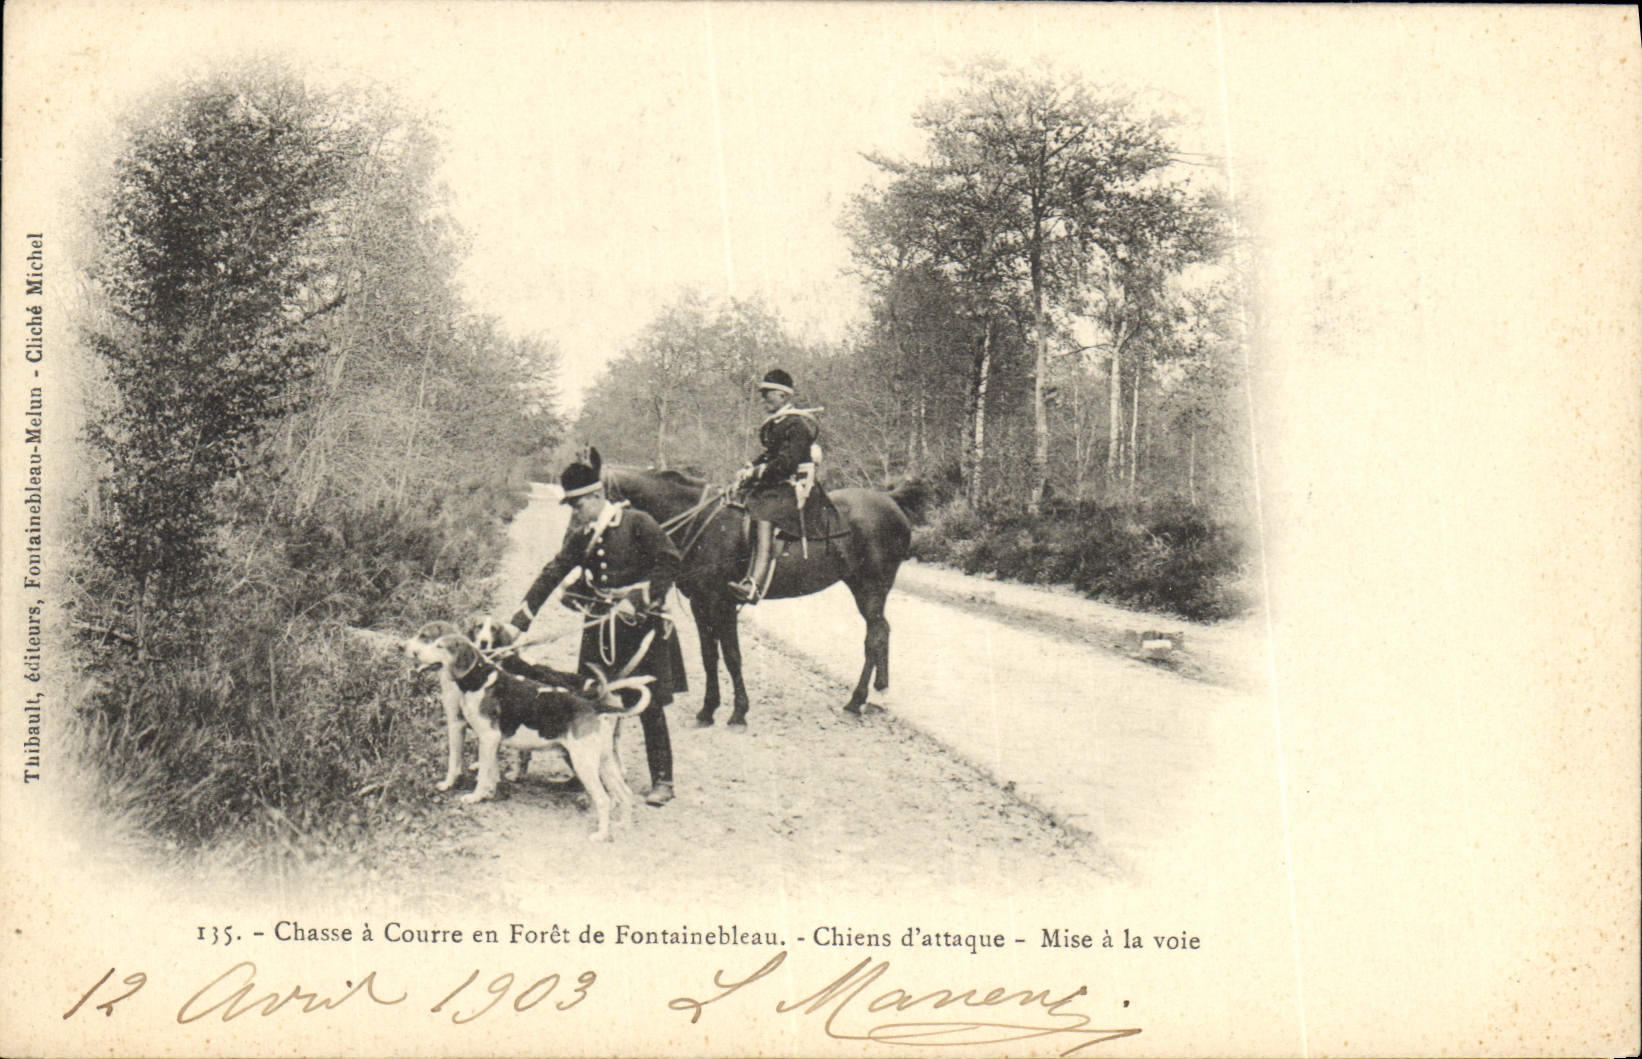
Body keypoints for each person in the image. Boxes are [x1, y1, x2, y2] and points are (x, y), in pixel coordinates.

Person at [508, 447, 687, 806]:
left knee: (648, 703)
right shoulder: (583, 535)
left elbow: (669, 561)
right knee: (589, 699)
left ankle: (663, 780)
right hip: (599, 626)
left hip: (641, 627)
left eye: (578, 505)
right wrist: (519, 623)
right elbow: (552, 573)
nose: (575, 514)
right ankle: (585, 774)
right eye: (572, 507)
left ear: (597, 496)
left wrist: (638, 599)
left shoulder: (637, 522)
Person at [730, 368, 822, 603]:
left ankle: (754, 583)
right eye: (763, 394)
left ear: (783, 396)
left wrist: (759, 471)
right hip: (774, 484)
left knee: (764, 515)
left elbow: (787, 462)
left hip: (790, 486)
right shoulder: (777, 423)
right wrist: (749, 467)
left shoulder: (796, 424)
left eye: (768, 394)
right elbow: (769, 454)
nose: (763, 399)